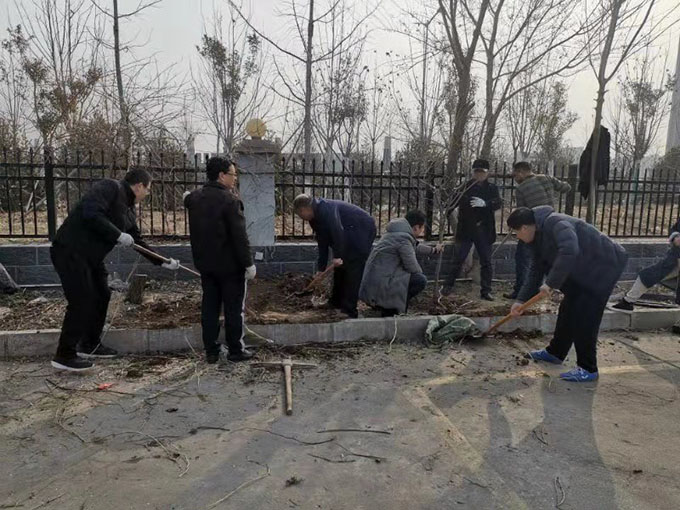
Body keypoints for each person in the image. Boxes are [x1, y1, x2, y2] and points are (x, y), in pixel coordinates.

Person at [50, 168, 180, 372]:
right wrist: (117, 234)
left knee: (102, 294)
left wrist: (163, 261)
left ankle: (89, 344)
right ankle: (64, 354)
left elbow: (137, 241)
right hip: (70, 251)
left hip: (91, 258)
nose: (147, 194)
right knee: (82, 299)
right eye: (148, 189)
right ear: (139, 186)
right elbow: (91, 213)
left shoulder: (128, 209)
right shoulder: (110, 187)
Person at [507, 206, 628, 382]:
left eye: (516, 232)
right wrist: (520, 301)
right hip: (582, 269)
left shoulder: (556, 223)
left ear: (525, 228)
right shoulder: (536, 239)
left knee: (585, 314)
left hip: (605, 265)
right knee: (568, 308)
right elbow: (535, 271)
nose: (517, 236)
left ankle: (588, 368)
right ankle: (555, 352)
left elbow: (569, 250)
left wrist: (551, 283)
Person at [184, 157, 256, 364]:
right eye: (233, 174)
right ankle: (236, 350)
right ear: (222, 175)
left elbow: (187, 199)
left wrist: (187, 197)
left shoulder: (195, 198)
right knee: (234, 309)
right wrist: (248, 263)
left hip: (205, 265)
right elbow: (239, 237)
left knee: (210, 307)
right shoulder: (230, 201)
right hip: (231, 267)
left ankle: (211, 351)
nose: (235, 178)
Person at [293, 194, 376, 318]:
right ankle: (336, 303)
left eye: (299, 214)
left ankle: (349, 311)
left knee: (352, 269)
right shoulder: (314, 218)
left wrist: (338, 256)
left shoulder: (325, 209)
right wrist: (321, 268)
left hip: (362, 230)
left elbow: (337, 230)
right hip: (348, 234)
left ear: (304, 209)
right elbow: (322, 242)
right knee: (340, 269)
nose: (301, 217)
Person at [504, 161, 572, 300]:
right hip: (550, 224)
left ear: (521, 172)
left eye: (515, 175)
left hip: (531, 227)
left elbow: (522, 212)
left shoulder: (521, 188)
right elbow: (567, 187)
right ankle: (550, 287)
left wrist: (517, 227)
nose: (515, 178)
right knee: (546, 258)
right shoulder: (546, 178)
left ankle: (520, 291)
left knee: (523, 259)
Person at [359, 210, 442, 317]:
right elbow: (412, 267)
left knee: (410, 277)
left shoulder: (396, 233)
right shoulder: (403, 239)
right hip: (380, 287)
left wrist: (433, 250)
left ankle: (390, 307)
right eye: (422, 228)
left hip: (373, 285)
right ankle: (393, 309)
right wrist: (421, 274)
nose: (422, 231)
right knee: (419, 280)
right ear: (416, 227)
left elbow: (414, 246)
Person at [441, 158, 502, 301]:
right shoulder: (465, 187)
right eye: (476, 172)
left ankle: (486, 290)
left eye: (482, 172)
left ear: (487, 173)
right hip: (467, 229)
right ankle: (447, 285)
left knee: (486, 261)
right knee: (459, 258)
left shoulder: (492, 188)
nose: (479, 175)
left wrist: (486, 204)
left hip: (484, 230)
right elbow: (451, 204)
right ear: (473, 172)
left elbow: (497, 203)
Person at [609, 217, 680, 313]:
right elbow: (675, 228)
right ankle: (628, 301)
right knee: (648, 275)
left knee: (647, 275)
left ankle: (628, 302)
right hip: (675, 257)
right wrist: (675, 237)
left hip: (674, 259)